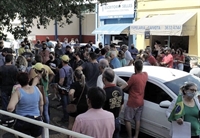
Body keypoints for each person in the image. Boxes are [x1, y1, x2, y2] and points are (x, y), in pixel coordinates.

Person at [7, 72, 43, 138]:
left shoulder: (17, 92)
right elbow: (41, 104)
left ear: (18, 82)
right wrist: (40, 114)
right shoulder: (36, 89)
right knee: (38, 136)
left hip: (22, 120)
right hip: (36, 118)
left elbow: (10, 108)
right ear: (28, 79)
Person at [124, 59, 148, 138]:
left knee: (127, 119)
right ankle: (136, 135)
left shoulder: (133, 77)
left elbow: (126, 87)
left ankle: (130, 136)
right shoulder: (145, 75)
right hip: (141, 101)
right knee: (137, 119)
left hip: (132, 101)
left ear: (135, 68)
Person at [102, 68, 124, 138]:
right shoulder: (120, 90)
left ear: (104, 79)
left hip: (106, 122)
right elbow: (121, 104)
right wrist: (117, 115)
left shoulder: (103, 92)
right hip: (116, 120)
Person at [58, 55, 74, 122]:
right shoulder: (70, 68)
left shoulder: (62, 70)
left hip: (64, 89)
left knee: (65, 104)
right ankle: (70, 117)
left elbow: (61, 81)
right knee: (69, 103)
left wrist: (58, 85)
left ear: (62, 61)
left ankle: (65, 118)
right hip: (70, 88)